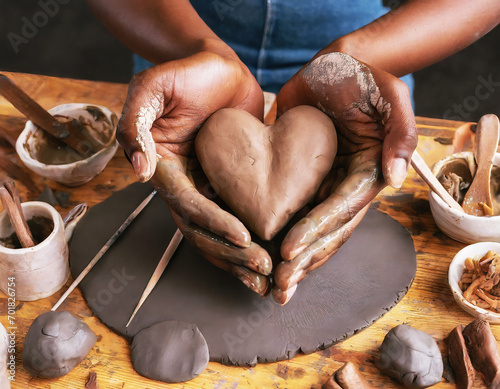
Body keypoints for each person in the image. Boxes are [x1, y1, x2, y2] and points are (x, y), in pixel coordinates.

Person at [86, 0, 500, 303]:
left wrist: (355, 59)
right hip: (178, 53)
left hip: (370, 68)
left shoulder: (359, 76)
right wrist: (196, 50)